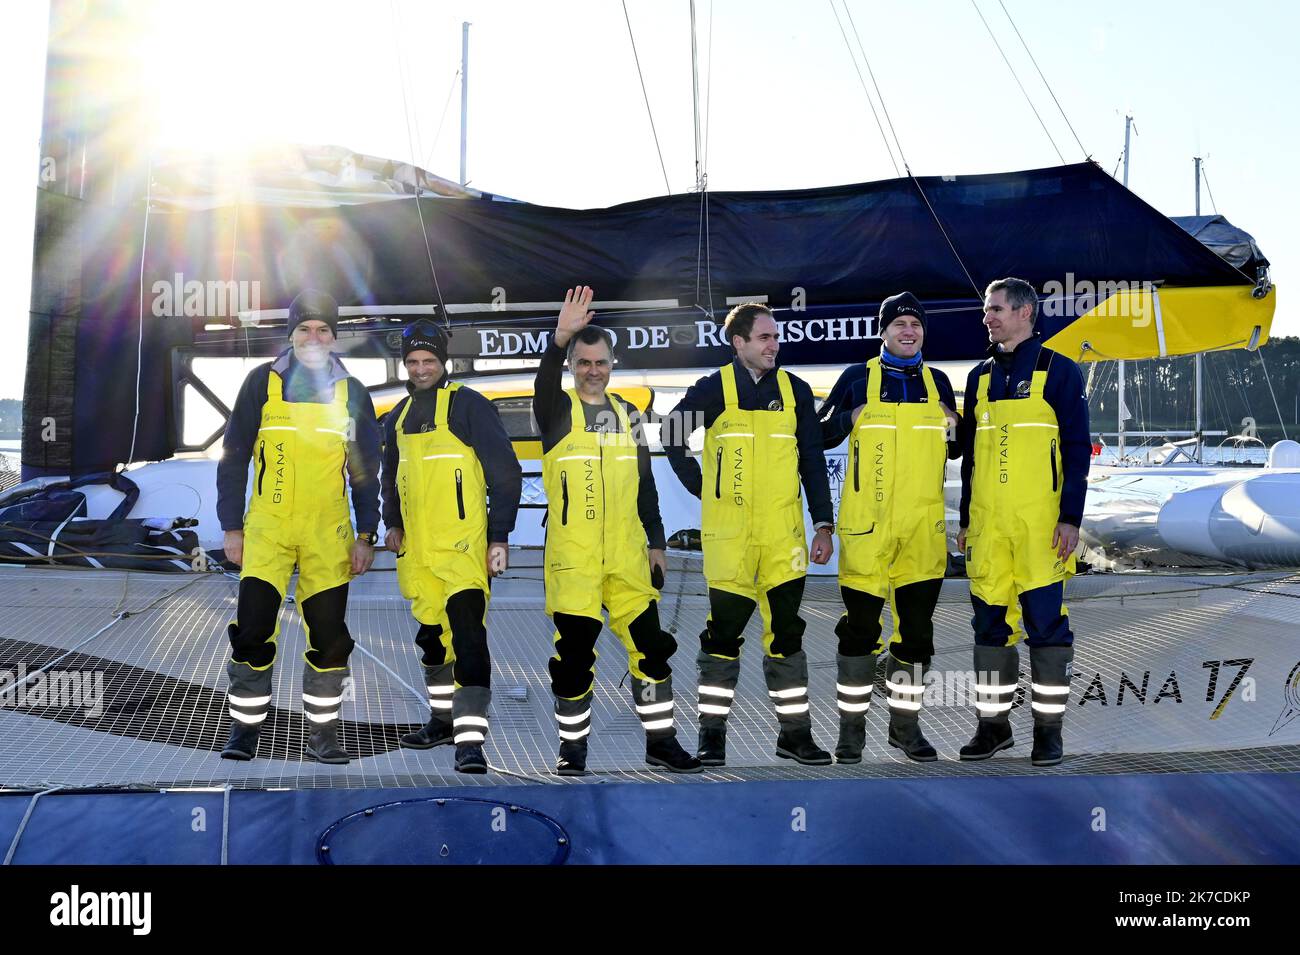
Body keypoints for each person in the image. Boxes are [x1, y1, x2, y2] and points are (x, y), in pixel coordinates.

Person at [533, 286, 701, 776]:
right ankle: (572, 747)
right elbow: (544, 381)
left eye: (600, 362)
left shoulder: (627, 414)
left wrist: (657, 542)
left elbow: (644, 484)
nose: (592, 370)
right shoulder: (556, 410)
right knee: (574, 658)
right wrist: (558, 337)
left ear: (612, 364)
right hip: (575, 561)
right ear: (571, 366)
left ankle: (661, 741)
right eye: (582, 361)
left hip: (629, 558)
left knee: (651, 651)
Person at [664, 303, 835, 767]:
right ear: (738, 343)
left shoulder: (796, 391)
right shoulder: (712, 388)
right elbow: (669, 432)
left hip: (784, 540)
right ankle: (712, 738)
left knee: (787, 636)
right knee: (722, 638)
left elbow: (813, 461)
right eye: (763, 338)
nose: (773, 345)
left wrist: (824, 523)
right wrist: (702, 486)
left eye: (775, 337)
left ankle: (796, 736)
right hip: (731, 542)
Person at [217, 289, 382, 764]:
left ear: (334, 337)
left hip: (327, 534)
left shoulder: (352, 394)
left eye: (323, 330)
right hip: (266, 530)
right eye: (305, 329)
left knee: (330, 637)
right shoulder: (260, 384)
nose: (314, 337)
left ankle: (324, 735)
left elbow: (365, 470)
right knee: (252, 630)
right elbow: (233, 459)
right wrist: (232, 527)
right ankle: (245, 730)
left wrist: (365, 533)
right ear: (291, 335)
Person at [819, 292, 960, 763]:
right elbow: (817, 435)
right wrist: (847, 416)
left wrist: (956, 423)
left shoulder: (938, 381)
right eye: (899, 323)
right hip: (867, 532)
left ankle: (905, 728)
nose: (908, 331)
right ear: (883, 331)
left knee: (916, 636)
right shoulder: (856, 378)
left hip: (922, 532)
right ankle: (851, 733)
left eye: (915, 325)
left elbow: (958, 448)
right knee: (859, 635)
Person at [956, 277, 1090, 767]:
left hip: (1041, 531)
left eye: (995, 309)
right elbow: (971, 457)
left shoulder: (1061, 373)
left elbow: (1077, 452)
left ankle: (1048, 734)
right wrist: (969, 518)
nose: (987, 317)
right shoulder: (978, 378)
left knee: (1047, 632)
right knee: (990, 630)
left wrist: (1071, 518)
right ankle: (993, 729)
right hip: (989, 532)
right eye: (986, 310)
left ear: (1025, 313)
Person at [381, 320, 522, 774]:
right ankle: (442, 721)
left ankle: (471, 739)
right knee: (432, 640)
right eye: (414, 362)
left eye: (429, 361)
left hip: (463, 550)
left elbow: (506, 473)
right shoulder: (398, 416)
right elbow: (389, 478)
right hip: (418, 555)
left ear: (444, 362)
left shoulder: (470, 406)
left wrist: (499, 536)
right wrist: (393, 523)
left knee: (469, 641)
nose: (422, 369)